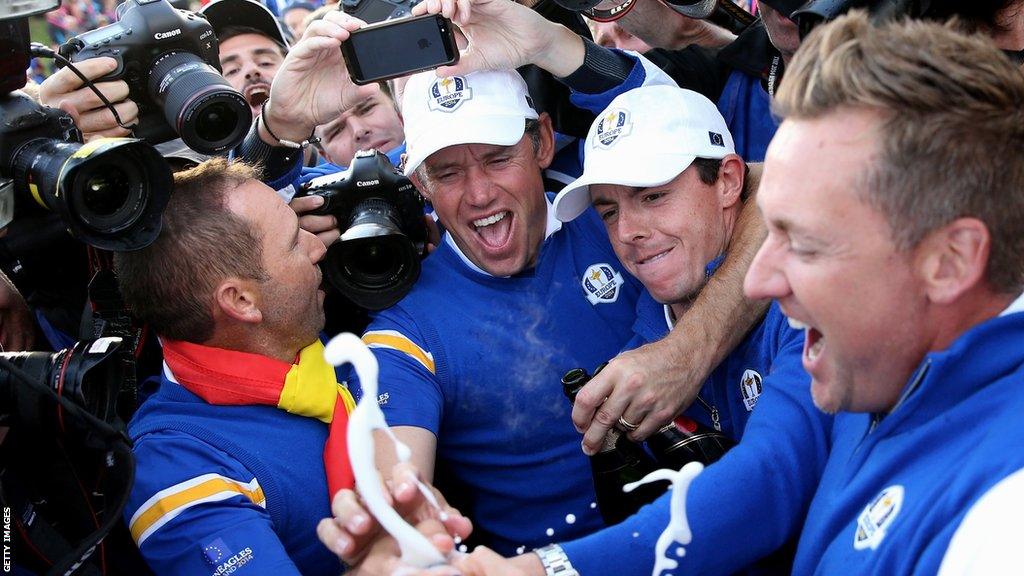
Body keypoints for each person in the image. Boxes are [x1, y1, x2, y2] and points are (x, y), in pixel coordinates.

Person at [349, 11, 1024, 576]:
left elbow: (771, 479)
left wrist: (549, 569)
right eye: (610, 208)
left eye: (806, 242)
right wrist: (399, 523)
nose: (759, 279)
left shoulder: (999, 519)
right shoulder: (869, 362)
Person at [323, 84, 833, 576]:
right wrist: (398, 518)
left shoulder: (801, 303)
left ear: (542, 143)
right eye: (447, 171)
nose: (631, 230)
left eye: (498, 158)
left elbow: (769, 483)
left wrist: (689, 349)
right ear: (422, 186)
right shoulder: (647, 315)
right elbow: (396, 462)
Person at [114, 158, 358, 575]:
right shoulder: (177, 464)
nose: (318, 246)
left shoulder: (310, 342)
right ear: (241, 302)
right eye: (294, 243)